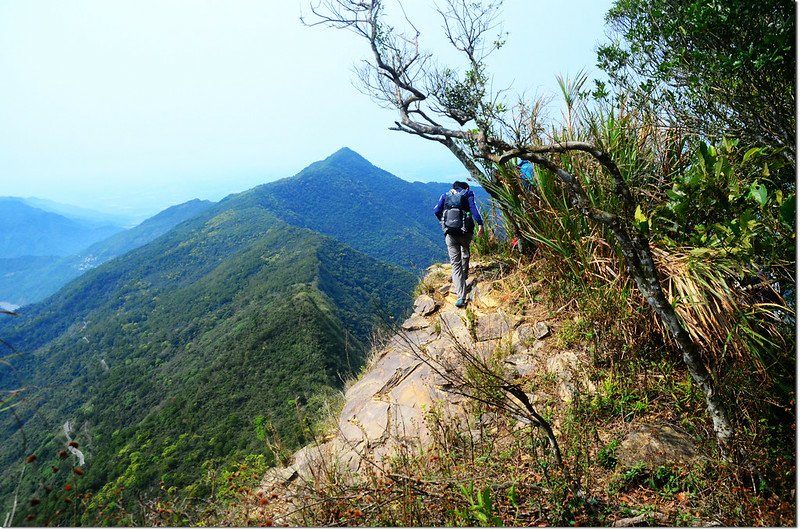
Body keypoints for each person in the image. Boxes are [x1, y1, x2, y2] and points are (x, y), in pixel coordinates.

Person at [434, 181, 484, 308]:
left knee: (455, 265)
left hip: (450, 233)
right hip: (465, 232)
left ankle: (460, 297)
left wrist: (443, 222)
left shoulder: (445, 195)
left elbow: (436, 210)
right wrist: (480, 224)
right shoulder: (468, 193)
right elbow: (473, 209)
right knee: (465, 251)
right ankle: (465, 273)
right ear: (465, 187)